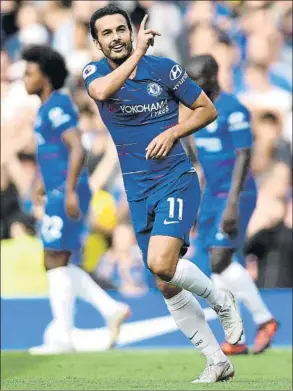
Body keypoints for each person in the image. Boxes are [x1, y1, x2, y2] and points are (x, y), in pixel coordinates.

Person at [83, 4, 244, 383]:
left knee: (160, 263)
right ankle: (216, 360)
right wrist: (138, 53)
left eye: (121, 29)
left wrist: (173, 132)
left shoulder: (165, 69)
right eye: (106, 33)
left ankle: (221, 300)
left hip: (175, 177)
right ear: (97, 42)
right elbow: (103, 90)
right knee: (165, 282)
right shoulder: (95, 73)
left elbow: (206, 109)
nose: (117, 37)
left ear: (130, 29)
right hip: (136, 188)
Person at [22, 45, 130, 355]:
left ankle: (64, 337)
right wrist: (39, 184)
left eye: (30, 73)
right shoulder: (46, 108)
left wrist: (68, 191)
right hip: (57, 189)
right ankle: (108, 309)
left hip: (67, 192)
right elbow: (52, 152)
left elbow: (77, 149)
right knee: (57, 261)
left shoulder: (58, 106)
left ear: (46, 77)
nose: (25, 78)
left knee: (54, 259)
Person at [183, 54, 278, 355]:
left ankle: (265, 320)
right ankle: (235, 337)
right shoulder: (197, 112)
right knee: (218, 267)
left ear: (213, 76)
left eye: (197, 78)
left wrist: (233, 204)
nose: (193, 84)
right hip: (212, 193)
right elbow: (198, 160)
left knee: (220, 260)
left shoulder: (233, 109)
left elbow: (244, 156)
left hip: (236, 193)